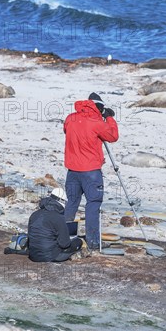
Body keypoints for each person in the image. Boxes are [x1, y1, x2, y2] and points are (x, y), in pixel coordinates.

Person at [63, 93, 119, 250]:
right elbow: (113, 136)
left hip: (72, 170)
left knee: (72, 202)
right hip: (91, 171)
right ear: (99, 107)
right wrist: (109, 118)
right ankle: (93, 242)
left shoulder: (70, 118)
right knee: (93, 204)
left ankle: (64, 237)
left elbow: (67, 130)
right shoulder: (97, 122)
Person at [27, 188, 83, 262]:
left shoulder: (34, 214)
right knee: (78, 242)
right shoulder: (58, 217)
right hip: (50, 256)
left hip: (33, 255)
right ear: (62, 202)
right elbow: (65, 244)